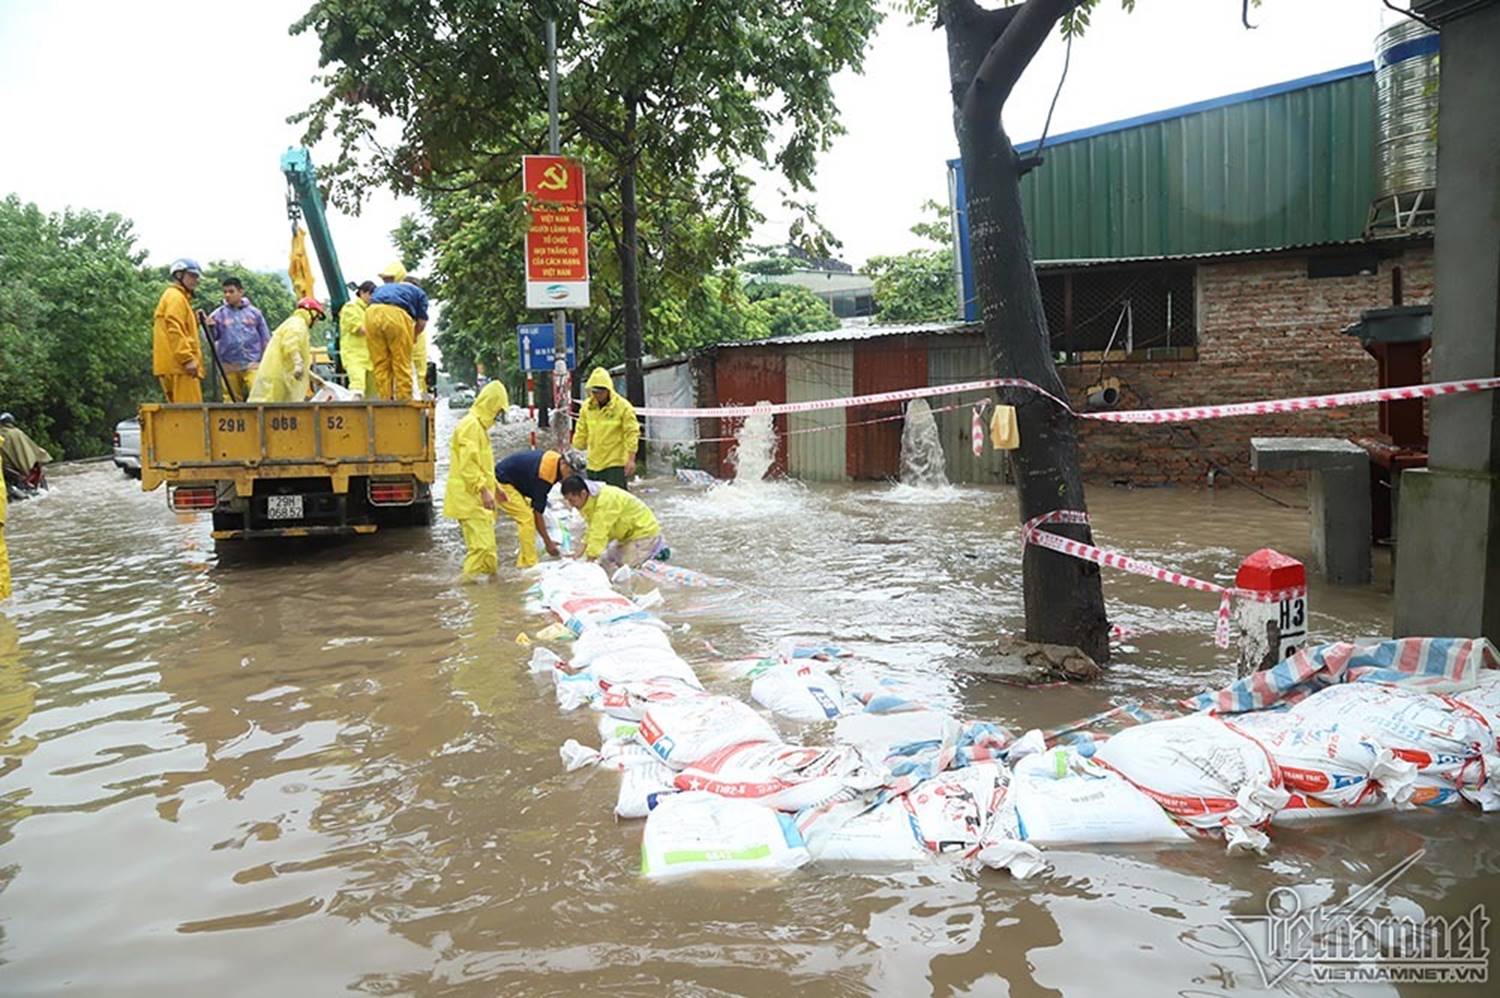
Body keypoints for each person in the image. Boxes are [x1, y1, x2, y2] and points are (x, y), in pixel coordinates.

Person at [443, 382, 511, 580]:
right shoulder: (471, 426)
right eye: (498, 409)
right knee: (481, 548)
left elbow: (483, 466)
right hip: (469, 499)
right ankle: (465, 586)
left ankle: (491, 590)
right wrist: (483, 490)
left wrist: (496, 488)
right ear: (491, 404)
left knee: (489, 552)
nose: (499, 414)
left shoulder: (479, 428)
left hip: (476, 499)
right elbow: (468, 465)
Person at [560, 474, 666, 573]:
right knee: (606, 561)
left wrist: (589, 562)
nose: (571, 505)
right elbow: (592, 529)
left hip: (643, 533)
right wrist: (578, 554)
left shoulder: (606, 500)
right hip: (627, 536)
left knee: (627, 569)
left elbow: (599, 533)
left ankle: (655, 554)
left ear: (583, 493)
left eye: (572, 500)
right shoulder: (590, 501)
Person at [493, 448, 578, 568]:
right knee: (526, 518)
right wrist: (548, 543)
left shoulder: (556, 461)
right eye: (570, 473)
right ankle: (528, 563)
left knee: (529, 513)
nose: (571, 477)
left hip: (517, 480)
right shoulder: (545, 475)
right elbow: (537, 512)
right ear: (563, 464)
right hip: (502, 483)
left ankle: (524, 556)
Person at [366, 261, 428, 401]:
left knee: (380, 363)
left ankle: (385, 400)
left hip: (370, 314)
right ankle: (403, 401)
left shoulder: (380, 289)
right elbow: (422, 322)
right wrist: (413, 337)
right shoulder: (418, 293)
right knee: (401, 362)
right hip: (396, 315)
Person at [572, 367, 640, 490]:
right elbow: (581, 431)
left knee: (616, 503)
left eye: (600, 391)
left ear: (608, 389)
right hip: (593, 464)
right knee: (596, 502)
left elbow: (632, 433)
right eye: (594, 391)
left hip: (615, 464)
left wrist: (631, 459)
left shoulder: (623, 407)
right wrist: (576, 450)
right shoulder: (587, 408)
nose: (597, 395)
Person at [205, 276, 271, 402]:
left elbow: (265, 338)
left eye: (231, 291)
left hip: (252, 364)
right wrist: (210, 328)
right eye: (225, 292)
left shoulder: (255, 313)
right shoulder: (217, 315)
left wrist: (267, 360)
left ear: (241, 292)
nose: (227, 295)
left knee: (259, 396)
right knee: (231, 401)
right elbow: (211, 339)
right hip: (229, 365)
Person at [247, 298, 324, 402]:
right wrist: (298, 363)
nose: (317, 322)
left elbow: (291, 360)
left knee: (276, 413)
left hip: (280, 378)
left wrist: (312, 377)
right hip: (277, 380)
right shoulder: (297, 324)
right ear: (312, 313)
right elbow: (291, 344)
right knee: (270, 412)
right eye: (318, 318)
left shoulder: (295, 323)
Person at [153, 258, 206, 403]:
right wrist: (187, 359)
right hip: (180, 368)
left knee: (177, 418)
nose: (196, 280)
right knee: (190, 417)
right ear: (179, 275)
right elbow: (174, 329)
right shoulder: (176, 297)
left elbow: (182, 328)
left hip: (172, 366)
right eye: (192, 276)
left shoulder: (176, 297)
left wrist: (195, 321)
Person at [0, 414, 51, 498]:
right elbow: (34, 449)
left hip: (9, 471)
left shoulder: (2, 434)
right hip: (24, 470)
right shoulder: (19, 433)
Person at [339, 280, 376, 396]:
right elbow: (359, 329)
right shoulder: (350, 307)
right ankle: (354, 414)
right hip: (354, 356)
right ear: (362, 292)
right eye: (371, 294)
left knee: (373, 392)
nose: (372, 298)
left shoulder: (371, 310)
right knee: (357, 387)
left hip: (370, 357)